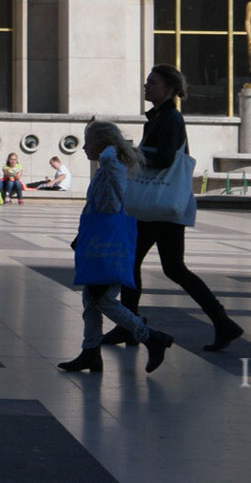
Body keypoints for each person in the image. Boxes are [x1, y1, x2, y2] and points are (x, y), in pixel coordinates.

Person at [108, 64, 245, 354]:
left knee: (139, 264)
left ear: (168, 90)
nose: (146, 86)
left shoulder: (169, 117)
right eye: (147, 82)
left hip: (157, 205)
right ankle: (222, 322)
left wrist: (131, 152)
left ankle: (131, 325)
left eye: (152, 83)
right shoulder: (160, 117)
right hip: (160, 206)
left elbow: (166, 157)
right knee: (172, 268)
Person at [57, 120, 173, 376]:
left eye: (88, 141)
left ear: (103, 143)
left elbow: (109, 206)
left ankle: (152, 337)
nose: (84, 147)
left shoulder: (111, 165)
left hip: (107, 244)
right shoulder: (110, 164)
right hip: (102, 241)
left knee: (103, 300)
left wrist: (92, 233)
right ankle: (90, 353)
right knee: (91, 299)